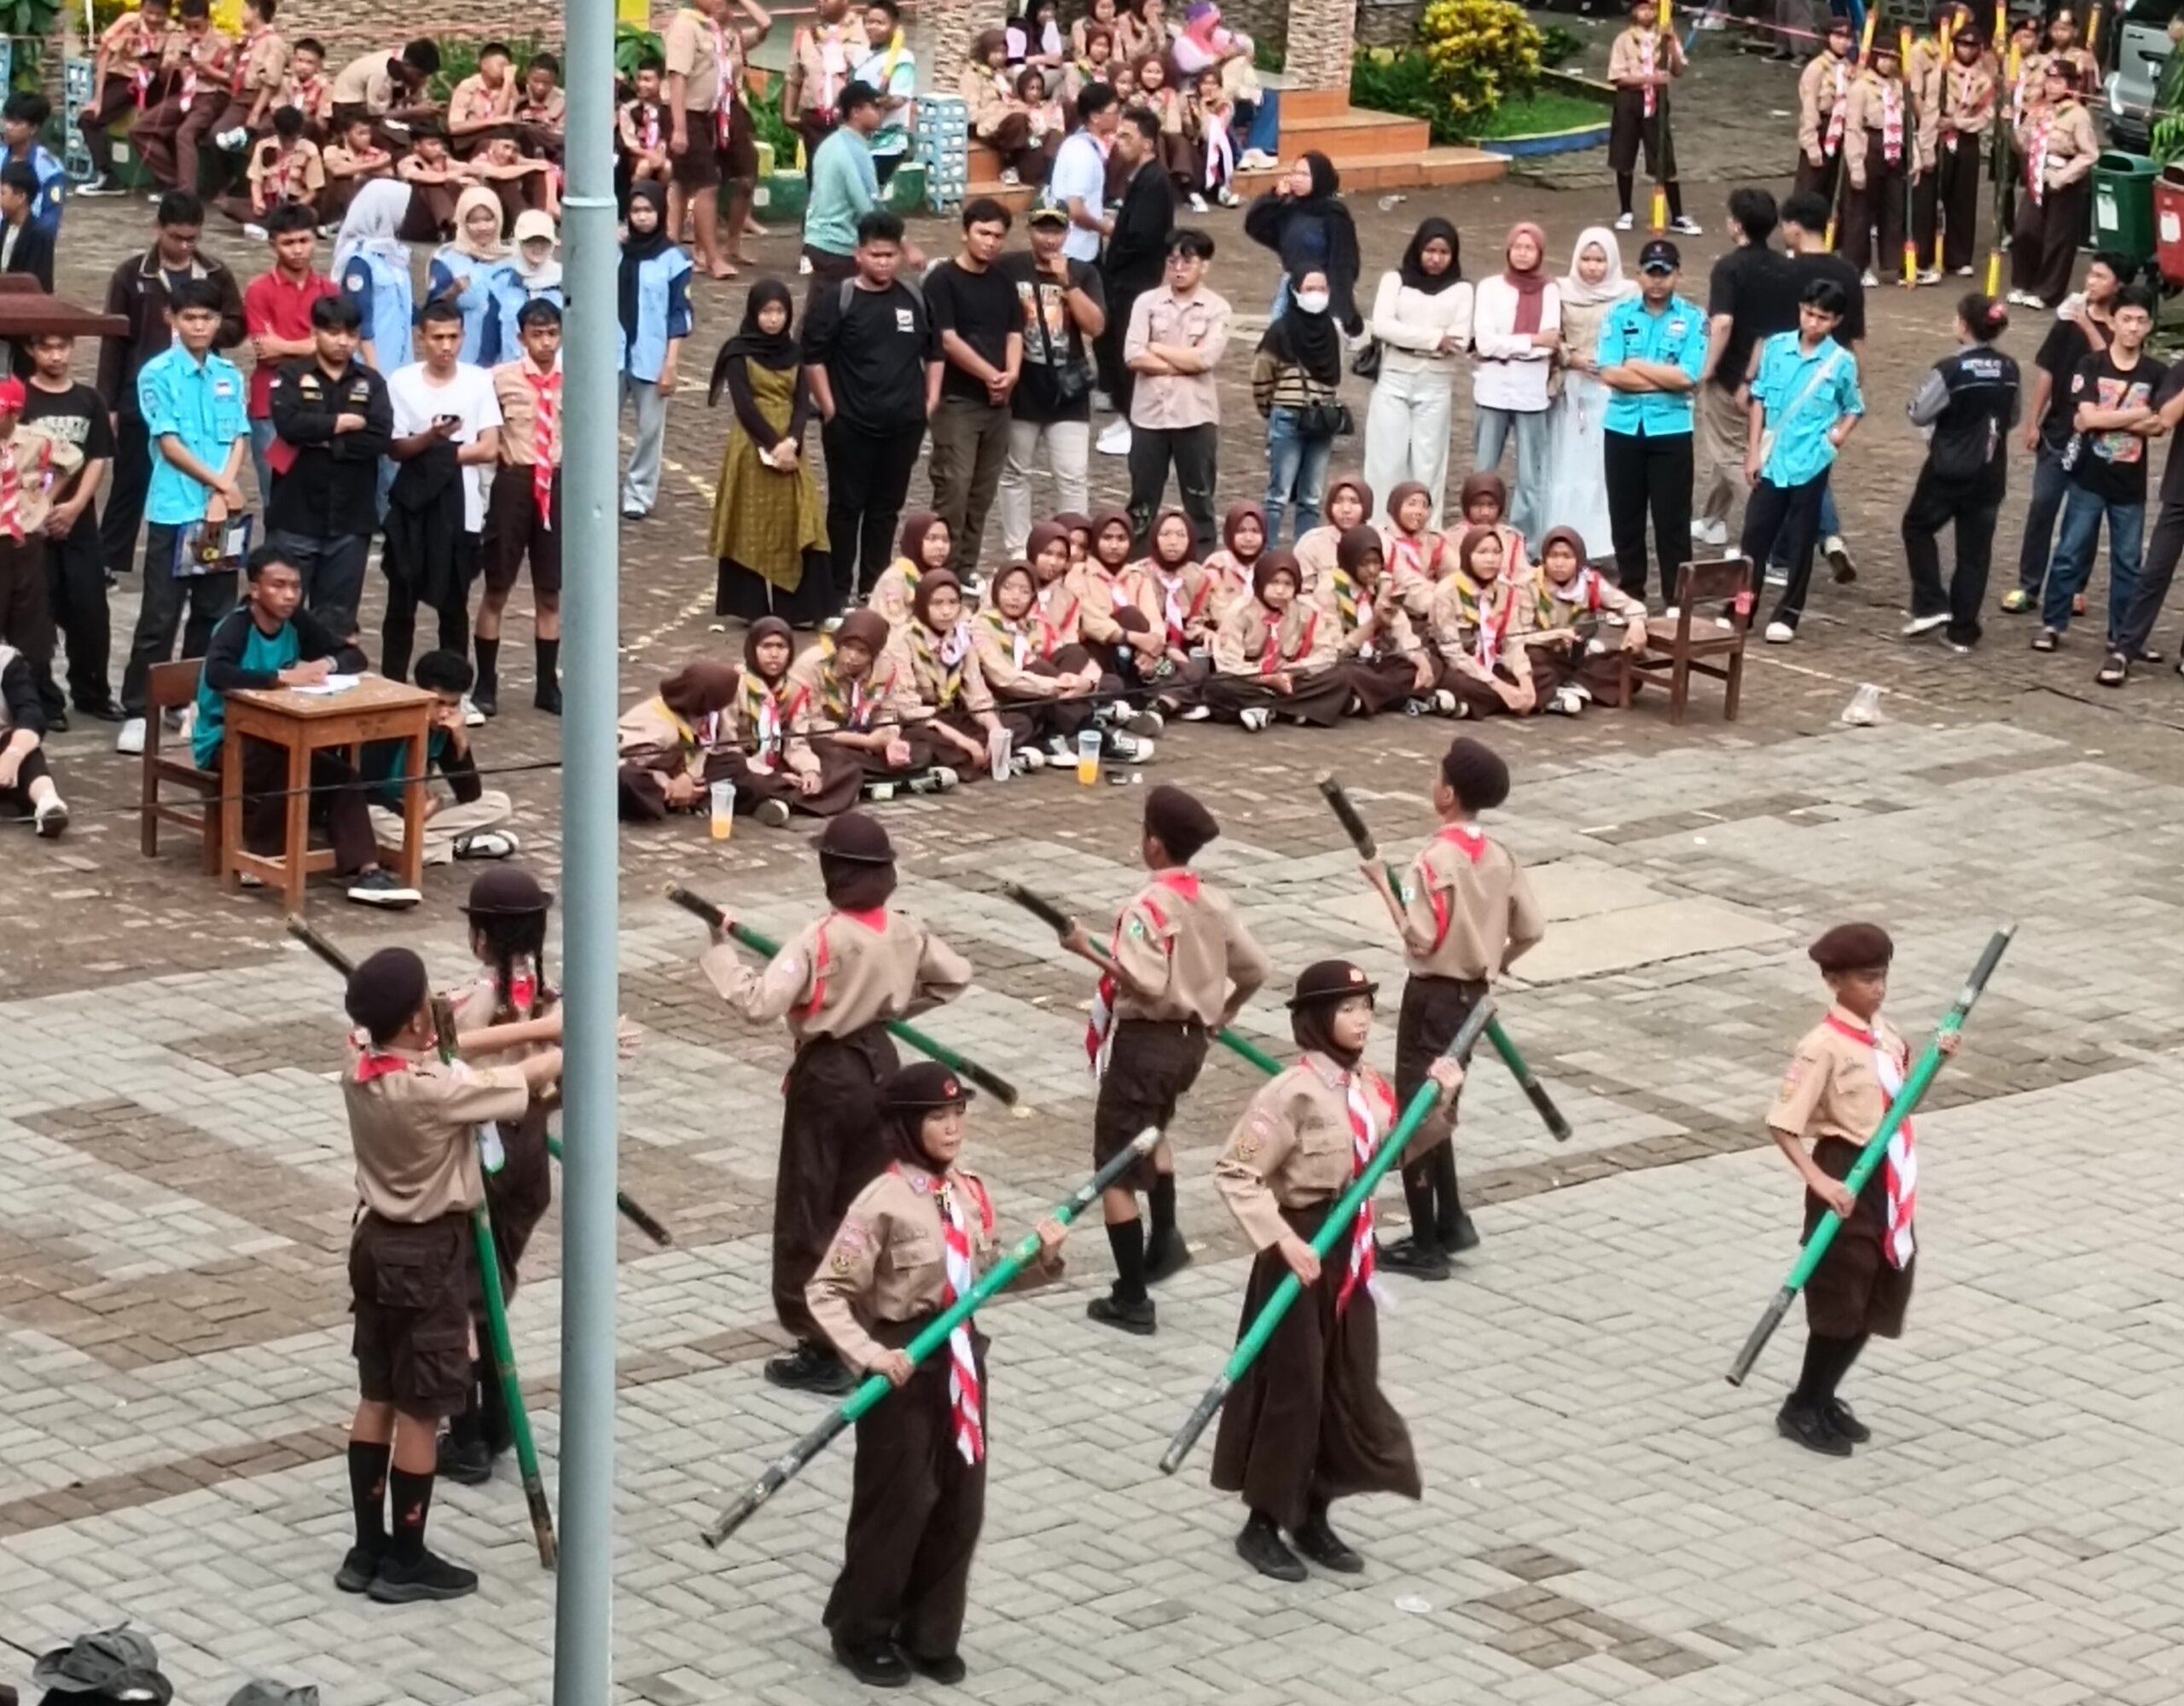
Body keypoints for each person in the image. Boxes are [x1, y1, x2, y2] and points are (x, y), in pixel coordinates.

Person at [808, 1062, 1068, 1689]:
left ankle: (929, 1631)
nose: (953, 1129)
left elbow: (979, 1280)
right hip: (902, 1359)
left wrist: (1042, 1258)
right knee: (900, 1499)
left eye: (958, 1115)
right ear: (904, 1125)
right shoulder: (881, 1202)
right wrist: (868, 1354)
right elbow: (825, 1291)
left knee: (960, 1498)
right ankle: (862, 1628)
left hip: (962, 1355)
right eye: (937, 1117)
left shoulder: (969, 1191)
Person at [699, 811, 975, 1392]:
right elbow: (956, 977)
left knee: (809, 1202)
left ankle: (821, 1342)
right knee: (865, 1201)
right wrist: (893, 1008)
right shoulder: (906, 929)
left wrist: (720, 952)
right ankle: (869, 1320)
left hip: (828, 1075)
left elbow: (759, 1003)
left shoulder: (821, 937)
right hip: (883, 1063)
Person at [1210, 958, 1455, 1581]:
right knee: (1294, 1388)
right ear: (1317, 1019)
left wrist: (1444, 1101)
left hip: (1351, 1250)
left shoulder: (1369, 1085)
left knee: (1345, 1381)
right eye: (1347, 1010)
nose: (1362, 1020)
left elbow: (1394, 1153)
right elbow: (1236, 1172)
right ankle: (1263, 1521)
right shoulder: (1290, 1091)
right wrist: (1279, 1241)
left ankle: (1312, 1512)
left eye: (1367, 1007)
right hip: (1300, 1247)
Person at [335, 945, 561, 1599]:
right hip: (427, 1253)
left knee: (375, 1396)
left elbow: (452, 1045)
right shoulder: (434, 1094)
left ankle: (366, 1547)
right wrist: (574, 1045)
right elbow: (515, 1084)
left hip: (372, 1243)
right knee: (417, 1407)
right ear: (412, 1025)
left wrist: (537, 1026)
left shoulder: (357, 1064)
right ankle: (407, 1558)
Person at [1060, 784, 1268, 1332]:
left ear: (1154, 844)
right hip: (1190, 1044)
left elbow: (1147, 982)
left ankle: (1131, 1295)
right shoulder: (1213, 901)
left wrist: (1089, 951)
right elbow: (1255, 969)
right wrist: (1226, 1011)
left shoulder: (1147, 907)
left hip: (1147, 1042)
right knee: (1154, 1128)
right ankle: (1166, 1236)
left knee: (1114, 1169)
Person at [1766, 923, 1955, 1457]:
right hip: (1844, 1172)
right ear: (1833, 981)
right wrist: (1820, 1181)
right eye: (1866, 979)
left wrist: (1935, 1063)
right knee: (1840, 1298)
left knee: (1880, 1292)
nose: (1878, 988)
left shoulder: (1885, 1037)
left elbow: (1897, 1108)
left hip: (1889, 1177)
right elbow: (1783, 1122)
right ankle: (1803, 1403)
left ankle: (1824, 1395)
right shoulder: (1821, 1047)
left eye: (1882, 977)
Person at [1359, 737, 1540, 1274]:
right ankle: (1452, 1217)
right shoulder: (1500, 857)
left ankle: (1424, 1241)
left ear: (1447, 793)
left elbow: (1420, 938)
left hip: (1433, 994)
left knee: (1418, 1113)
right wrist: (1498, 959)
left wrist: (1382, 886)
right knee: (1441, 1108)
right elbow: (1532, 927)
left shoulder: (1435, 859)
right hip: (1474, 1000)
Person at [195, 545, 420, 906]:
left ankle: (366, 871)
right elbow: (219, 672)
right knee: (291, 764)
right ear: (255, 589)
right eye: (278, 585)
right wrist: (283, 676)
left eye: (295, 587)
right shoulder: (236, 627)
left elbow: (353, 655)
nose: (288, 596)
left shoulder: (296, 621)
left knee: (343, 774)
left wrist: (327, 665)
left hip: (280, 732)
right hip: (226, 738)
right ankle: (261, 854)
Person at [113, 277, 249, 757]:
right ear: (173, 318)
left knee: (213, 610)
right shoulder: (157, 373)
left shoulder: (228, 375)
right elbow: (168, 444)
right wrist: (218, 486)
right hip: (176, 508)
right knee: (160, 614)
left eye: (207, 318)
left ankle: (191, 702)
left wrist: (226, 488)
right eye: (189, 317)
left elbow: (238, 437)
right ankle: (138, 708)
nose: (199, 326)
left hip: (219, 512)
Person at [96, 191, 247, 594]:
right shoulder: (133, 274)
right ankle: (109, 560)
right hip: (140, 393)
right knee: (131, 479)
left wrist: (204, 329)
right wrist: (107, 403)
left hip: (199, 394)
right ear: (158, 228)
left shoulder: (215, 273)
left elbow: (238, 323)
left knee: (201, 479)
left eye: (192, 239)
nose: (184, 246)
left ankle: (204, 557)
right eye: (176, 237)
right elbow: (114, 341)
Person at [804, 210, 935, 607]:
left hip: (903, 424)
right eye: (876, 255)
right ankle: (837, 589)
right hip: (851, 425)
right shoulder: (838, 300)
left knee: (886, 509)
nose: (884, 262)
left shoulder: (912, 298)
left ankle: (874, 586)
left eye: (890, 255)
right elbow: (813, 357)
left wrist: (928, 404)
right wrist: (830, 408)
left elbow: (935, 352)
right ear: (859, 254)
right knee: (845, 508)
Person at [2036, 282, 2165, 671]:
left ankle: (2121, 635)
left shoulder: (2156, 372)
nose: (2132, 328)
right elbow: (2087, 417)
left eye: (2141, 321)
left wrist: (2110, 420)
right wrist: (2134, 417)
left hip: (2130, 483)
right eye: (2126, 319)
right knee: (2069, 551)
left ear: (2149, 326)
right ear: (2112, 321)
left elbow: (2160, 425)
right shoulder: (2091, 365)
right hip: (2089, 478)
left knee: (2129, 561)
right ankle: (2052, 622)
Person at [384, 299, 502, 695]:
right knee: (401, 601)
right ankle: (392, 685)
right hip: (413, 505)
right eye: (437, 338)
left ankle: (454, 691)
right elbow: (397, 447)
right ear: (422, 339)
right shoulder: (401, 382)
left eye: (453, 337)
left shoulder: (477, 381)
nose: (446, 346)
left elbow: (488, 447)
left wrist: (436, 452)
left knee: (454, 605)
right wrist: (436, 440)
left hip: (462, 506)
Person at [1743, 276, 1866, 644]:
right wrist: (1752, 450)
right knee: (1755, 537)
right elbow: (1759, 399)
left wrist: (1839, 436)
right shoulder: (1777, 347)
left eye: (1822, 318)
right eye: (1808, 313)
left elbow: (1853, 406)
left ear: (1835, 322)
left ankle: (1789, 611)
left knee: (1800, 540)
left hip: (1810, 461)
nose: (1812, 323)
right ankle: (1743, 605)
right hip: (1773, 456)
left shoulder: (1840, 362)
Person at [2004, 253, 2122, 618]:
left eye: (2100, 276)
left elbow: (2111, 363)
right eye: (2091, 274)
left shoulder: (2120, 328)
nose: (2090, 281)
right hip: (2058, 431)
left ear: (2117, 286)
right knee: (2043, 506)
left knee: (2083, 516)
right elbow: (2048, 372)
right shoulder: (2066, 323)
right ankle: (2029, 584)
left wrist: (2086, 322)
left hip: (2096, 435)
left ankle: (2073, 586)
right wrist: (2034, 421)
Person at [1902, 294, 2018, 655]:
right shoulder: (2009, 369)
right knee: (1975, 552)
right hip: (1990, 470)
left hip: (1948, 467)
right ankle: (1963, 629)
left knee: (1917, 526)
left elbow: (1921, 413)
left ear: (1964, 325)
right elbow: (2013, 417)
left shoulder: (1951, 370)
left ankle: (1931, 602)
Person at [710, 281, 830, 625]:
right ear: (754, 313)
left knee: (801, 516)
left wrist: (792, 440)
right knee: (750, 520)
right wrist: (771, 443)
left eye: (779, 312)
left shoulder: (795, 352)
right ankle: (750, 605)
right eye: (767, 312)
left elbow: (800, 401)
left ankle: (800, 606)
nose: (773, 319)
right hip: (752, 447)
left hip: (792, 449)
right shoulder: (738, 353)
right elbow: (744, 405)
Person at [264, 293, 392, 620]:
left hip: (350, 522)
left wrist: (322, 440)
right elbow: (290, 425)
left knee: (336, 620)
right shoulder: (292, 376)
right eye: (333, 332)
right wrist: (340, 423)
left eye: (351, 334)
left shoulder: (371, 382)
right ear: (315, 332)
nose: (343, 342)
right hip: (295, 517)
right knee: (280, 616)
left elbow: (378, 437)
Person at [1594, 237, 1705, 606]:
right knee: (1626, 517)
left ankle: (1677, 599)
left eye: (1665, 273)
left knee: (1672, 520)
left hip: (1671, 430)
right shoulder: (1618, 315)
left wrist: (1637, 366)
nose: (1658, 280)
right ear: (1638, 275)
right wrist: (1661, 377)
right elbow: (1609, 372)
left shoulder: (1693, 318)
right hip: (1623, 426)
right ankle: (1630, 594)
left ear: (1678, 275)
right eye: (1651, 273)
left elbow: (1688, 376)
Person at [20, 335, 120, 727]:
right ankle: (45, 700)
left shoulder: (89, 399)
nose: (56, 355)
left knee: (90, 612)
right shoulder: (20, 399)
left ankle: (92, 691)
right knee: (37, 615)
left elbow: (98, 457)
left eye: (62, 346)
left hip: (79, 525)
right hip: (32, 524)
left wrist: (76, 506)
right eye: (47, 347)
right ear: (32, 350)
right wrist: (41, 510)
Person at [996, 205, 1106, 556]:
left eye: (1056, 231)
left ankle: (1073, 547)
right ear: (1029, 231)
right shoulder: (1009, 268)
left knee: (1072, 475)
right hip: (1023, 388)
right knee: (1015, 472)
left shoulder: (1083, 272)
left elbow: (1096, 327)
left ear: (1067, 233)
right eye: (1042, 230)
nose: (1049, 239)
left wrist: (1067, 284)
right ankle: (1017, 548)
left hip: (1068, 391)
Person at [925, 198, 1024, 579]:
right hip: (957, 400)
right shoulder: (942, 280)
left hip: (998, 403)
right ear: (965, 233)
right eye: (983, 233)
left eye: (998, 236)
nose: (991, 242)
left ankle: (965, 569)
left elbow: (1015, 331)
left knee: (981, 494)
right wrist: (990, 374)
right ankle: (940, 571)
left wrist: (1011, 373)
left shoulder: (1002, 281)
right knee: (954, 488)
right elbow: (947, 340)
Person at [1696, 189, 1798, 550]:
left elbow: (1722, 323)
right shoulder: (1789, 268)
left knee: (1731, 453)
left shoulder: (1729, 268)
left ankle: (1771, 529)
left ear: (1737, 225)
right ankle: (1713, 520)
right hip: (1777, 375)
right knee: (1739, 446)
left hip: (1734, 375)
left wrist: (1707, 370)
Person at [1775, 192, 1867, 586]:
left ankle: (1813, 540)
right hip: (1836, 376)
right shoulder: (1848, 271)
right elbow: (1858, 335)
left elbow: (1776, 336)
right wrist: (1857, 381)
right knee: (1813, 462)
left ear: (1794, 226)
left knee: (1791, 465)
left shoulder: (1786, 273)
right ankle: (1821, 540)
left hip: (1795, 377)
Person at [479, 299, 564, 711]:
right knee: (498, 586)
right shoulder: (499, 379)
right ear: (521, 337)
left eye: (551, 334)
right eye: (537, 334)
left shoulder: (574, 378)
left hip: (557, 481)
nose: (545, 343)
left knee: (550, 592)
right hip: (515, 481)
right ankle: (486, 684)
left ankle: (548, 685)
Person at [359, 648, 520, 863]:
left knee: (499, 804)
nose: (445, 713)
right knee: (373, 822)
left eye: (453, 704)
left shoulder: (444, 728)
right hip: (382, 808)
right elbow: (365, 790)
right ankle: (455, 847)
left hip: (416, 811)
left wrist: (461, 743)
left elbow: (469, 794)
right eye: (439, 703)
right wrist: (412, 812)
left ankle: (423, 846)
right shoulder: (392, 724)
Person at [1362, 218, 1471, 530]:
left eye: (1444, 252)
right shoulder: (1394, 280)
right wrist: (1434, 339)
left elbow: (1460, 339)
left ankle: (1427, 533)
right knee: (1387, 460)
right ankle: (1380, 531)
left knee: (1429, 462)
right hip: (1395, 374)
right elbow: (1383, 326)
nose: (1436, 259)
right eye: (1430, 250)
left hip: (1436, 382)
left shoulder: (1461, 289)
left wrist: (1408, 334)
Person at [1125, 229, 1228, 556]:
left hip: (1194, 415)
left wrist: (1157, 347)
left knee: (1199, 498)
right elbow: (1132, 355)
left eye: (1187, 261)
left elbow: (1205, 359)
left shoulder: (1217, 308)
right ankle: (1136, 566)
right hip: (1149, 415)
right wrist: (1182, 361)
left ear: (1204, 266)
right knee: (1142, 500)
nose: (1179, 269)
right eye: (1172, 261)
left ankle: (1203, 563)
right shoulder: (1147, 303)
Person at [665, 0, 775, 282]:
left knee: (702, 181)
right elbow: (677, 77)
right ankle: (712, 258)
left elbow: (765, 26)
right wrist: (679, 128)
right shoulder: (685, 26)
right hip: (688, 113)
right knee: (706, 183)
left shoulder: (718, 31)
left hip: (714, 113)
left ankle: (714, 249)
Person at [1542, 226, 1633, 563]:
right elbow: (1554, 334)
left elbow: (1633, 336)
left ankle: (1601, 539)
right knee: (1566, 461)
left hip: (1610, 387)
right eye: (1586, 258)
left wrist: (1612, 363)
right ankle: (1560, 529)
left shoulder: (1627, 294)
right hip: (1572, 385)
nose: (1592, 267)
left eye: (1599, 260)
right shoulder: (1561, 290)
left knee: (1601, 465)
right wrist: (1571, 357)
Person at [886, 569, 1031, 779]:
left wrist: (995, 730)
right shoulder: (904, 640)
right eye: (937, 603)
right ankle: (976, 758)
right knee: (922, 743)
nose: (946, 611)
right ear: (922, 604)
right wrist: (962, 741)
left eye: (953, 603)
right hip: (926, 721)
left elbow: (977, 694)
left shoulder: (961, 637)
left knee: (1018, 723)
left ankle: (980, 756)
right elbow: (908, 709)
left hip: (955, 715)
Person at [720, 616, 867, 818]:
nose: (774, 654)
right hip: (745, 762)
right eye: (766, 646)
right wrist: (773, 775)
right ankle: (790, 799)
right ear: (752, 649)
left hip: (778, 756)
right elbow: (726, 746)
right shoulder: (734, 685)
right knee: (740, 780)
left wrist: (809, 770)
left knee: (847, 768)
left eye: (781, 647)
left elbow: (796, 740)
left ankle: (782, 801)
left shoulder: (794, 688)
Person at [0, 377, 84, 728]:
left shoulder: (36, 440)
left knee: (31, 626)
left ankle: (37, 705)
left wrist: (45, 497)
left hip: (24, 542)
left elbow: (73, 460)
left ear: (14, 414)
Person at [1095, 106, 1177, 461]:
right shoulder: (1138, 178)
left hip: (1135, 282)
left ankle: (1136, 422)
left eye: (1127, 137)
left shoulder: (1155, 182)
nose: (1119, 142)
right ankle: (1125, 413)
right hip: (1123, 280)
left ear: (1147, 143)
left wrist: (1115, 258)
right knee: (1111, 348)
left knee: (1127, 352)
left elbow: (1142, 237)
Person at [971, 554, 1112, 758]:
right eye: (1008, 588)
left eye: (1024, 591)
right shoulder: (981, 627)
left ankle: (1057, 731)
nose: (1015, 596)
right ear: (995, 590)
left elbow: (1063, 648)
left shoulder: (1032, 623)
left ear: (1033, 597)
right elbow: (1002, 677)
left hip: (1040, 693)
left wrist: (1086, 683)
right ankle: (1087, 730)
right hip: (1006, 697)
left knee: (1074, 653)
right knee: (1039, 668)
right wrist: (1056, 686)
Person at [1470, 223, 1559, 547]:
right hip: (1492, 389)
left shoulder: (1549, 289)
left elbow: (1550, 344)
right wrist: (1530, 341)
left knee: (1530, 475)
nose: (1522, 253)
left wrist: (1510, 344)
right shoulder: (1490, 287)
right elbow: (1485, 342)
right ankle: (1478, 534)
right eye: (1518, 246)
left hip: (1531, 392)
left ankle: (1526, 542)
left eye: (1530, 247)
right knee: (1484, 470)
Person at [616, 181, 694, 521]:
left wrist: (671, 363)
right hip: (612, 352)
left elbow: (679, 312)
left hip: (651, 352)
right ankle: (596, 490)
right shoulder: (613, 252)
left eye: (648, 210)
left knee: (649, 429)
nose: (642, 217)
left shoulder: (673, 259)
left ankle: (639, 491)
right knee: (600, 427)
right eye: (636, 210)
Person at [1204, 552, 1348, 729]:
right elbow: (1227, 662)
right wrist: (1265, 679)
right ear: (1261, 581)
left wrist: (1295, 670)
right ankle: (1291, 710)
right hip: (1251, 680)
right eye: (1273, 582)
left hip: (1291, 679)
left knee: (1340, 677)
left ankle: (1262, 708)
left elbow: (1327, 653)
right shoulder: (1240, 611)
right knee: (1218, 684)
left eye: (1288, 584)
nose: (1280, 591)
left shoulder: (1306, 611)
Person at [1252, 268, 1343, 545]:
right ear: (1295, 292)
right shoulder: (1281, 330)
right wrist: (1273, 408)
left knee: (1312, 497)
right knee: (1278, 494)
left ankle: (1305, 554)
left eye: (1322, 288)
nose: (1316, 295)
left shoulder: (1332, 330)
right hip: (1288, 416)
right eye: (1309, 288)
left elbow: (1334, 376)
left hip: (1321, 420)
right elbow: (1261, 374)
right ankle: (1269, 553)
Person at [1428, 525, 1548, 718]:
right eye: (1482, 552)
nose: (1490, 559)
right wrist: (1500, 687)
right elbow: (1453, 653)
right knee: (1458, 682)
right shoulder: (1447, 591)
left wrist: (1526, 681)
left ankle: (1473, 706)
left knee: (1542, 674)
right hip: (1460, 665)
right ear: (1468, 555)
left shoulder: (1506, 590)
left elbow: (1513, 642)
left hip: (1493, 661)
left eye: (1496, 552)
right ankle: (1509, 701)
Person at [1525, 523, 1651, 707]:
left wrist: (1637, 623)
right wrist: (1553, 636)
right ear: (1544, 558)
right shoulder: (1530, 584)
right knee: (1531, 660)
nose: (1559, 563)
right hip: (1546, 656)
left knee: (1637, 661)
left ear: (1579, 559)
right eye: (1553, 556)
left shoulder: (1590, 583)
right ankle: (1565, 688)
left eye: (1567, 556)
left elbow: (1631, 605)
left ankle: (1573, 686)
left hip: (1579, 659)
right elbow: (1518, 634)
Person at [2009, 60, 2096, 310]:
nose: (2052, 86)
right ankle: (2023, 283)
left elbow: (2089, 154)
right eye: (2049, 80)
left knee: (2057, 239)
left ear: (2069, 85)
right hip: (2037, 176)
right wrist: (2013, 123)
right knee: (2025, 230)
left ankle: (2048, 291)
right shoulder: (2038, 109)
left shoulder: (2078, 115)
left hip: (2064, 180)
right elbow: (2023, 144)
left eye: (2058, 82)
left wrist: (2063, 176)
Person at [1241, 152, 1361, 332]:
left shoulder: (1334, 214)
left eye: (1304, 174)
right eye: (1294, 173)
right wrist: (1274, 197)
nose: (1296, 179)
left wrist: (1339, 307)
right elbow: (1255, 227)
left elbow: (1344, 263)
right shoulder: (1289, 209)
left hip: (1322, 290)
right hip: (1291, 288)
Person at [1325, 525, 1438, 713]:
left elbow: (1403, 632)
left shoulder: (1382, 585)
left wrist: (1421, 662)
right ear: (1349, 560)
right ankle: (1398, 697)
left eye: (1376, 563)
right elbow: (1336, 651)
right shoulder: (1330, 589)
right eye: (1364, 564)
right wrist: (1374, 623)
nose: (1371, 570)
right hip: (1349, 661)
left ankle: (1367, 699)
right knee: (1343, 675)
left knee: (1431, 661)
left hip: (1377, 662)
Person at [1606, 0, 1696, 235]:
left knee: (1664, 156)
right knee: (1624, 155)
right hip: (1630, 102)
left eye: (1652, 8)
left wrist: (1672, 44)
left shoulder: (1666, 37)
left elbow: (1678, 70)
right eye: (1643, 8)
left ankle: (1677, 215)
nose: (1648, 13)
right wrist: (1648, 80)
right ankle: (1626, 210)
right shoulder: (1624, 40)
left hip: (1657, 102)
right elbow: (1617, 77)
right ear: (1634, 11)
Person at [1915, 26, 1995, 284]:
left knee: (1964, 199)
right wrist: (1926, 147)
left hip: (1966, 139)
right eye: (1962, 45)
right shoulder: (1940, 74)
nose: (1967, 50)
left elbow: (1986, 115)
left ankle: (1959, 257)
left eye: (1973, 46)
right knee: (1929, 199)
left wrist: (1959, 123)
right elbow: (1929, 112)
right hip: (1938, 139)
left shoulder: (1985, 79)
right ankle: (1924, 257)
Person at [616, 658, 740, 819]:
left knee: (733, 762)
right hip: (648, 774)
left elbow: (706, 749)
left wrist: (688, 777)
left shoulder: (702, 714)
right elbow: (623, 762)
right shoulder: (659, 728)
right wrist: (669, 785)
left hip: (680, 769)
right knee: (629, 780)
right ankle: (676, 799)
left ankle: (693, 797)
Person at [803, 82, 893, 302]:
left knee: (820, 312)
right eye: (874, 106)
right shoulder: (854, 151)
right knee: (835, 314)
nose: (880, 113)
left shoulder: (830, 143)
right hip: (838, 245)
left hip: (818, 239)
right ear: (856, 112)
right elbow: (869, 208)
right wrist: (900, 242)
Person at [78, 0, 177, 197]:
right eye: (149, 13)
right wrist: (97, 99)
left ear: (167, 14)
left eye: (160, 15)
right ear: (141, 9)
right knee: (88, 119)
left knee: (166, 120)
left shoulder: (173, 30)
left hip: (154, 80)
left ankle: (166, 182)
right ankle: (108, 177)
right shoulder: (128, 23)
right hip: (125, 79)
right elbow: (105, 55)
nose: (154, 19)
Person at [1838, 40, 1914, 290]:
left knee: (1893, 208)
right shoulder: (1861, 86)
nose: (1888, 62)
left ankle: (1891, 263)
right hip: (1868, 144)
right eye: (1883, 57)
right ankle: (1857, 265)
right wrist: (1856, 165)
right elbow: (1852, 126)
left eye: (1893, 57)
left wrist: (1914, 155)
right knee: (1860, 211)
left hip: (1893, 147)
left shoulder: (1898, 87)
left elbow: (1907, 124)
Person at [333, 179, 423, 375]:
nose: (405, 215)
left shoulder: (393, 257)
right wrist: (374, 373)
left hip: (400, 364)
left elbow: (408, 312)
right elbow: (360, 319)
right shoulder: (360, 260)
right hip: (373, 367)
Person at [427, 188, 508, 367]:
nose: (483, 227)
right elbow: (431, 312)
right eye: (474, 221)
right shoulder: (447, 258)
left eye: (489, 219)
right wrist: (453, 292)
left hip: (505, 364)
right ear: (462, 222)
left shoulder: (512, 261)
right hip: (462, 364)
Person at [1, 628, 69, 836]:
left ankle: (48, 804)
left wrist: (12, 756)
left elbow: (31, 714)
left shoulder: (7, 661)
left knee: (26, 752)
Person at [784, 0, 861, 174]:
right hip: (814, 121)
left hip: (849, 121)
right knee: (816, 177)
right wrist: (788, 115)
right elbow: (794, 76)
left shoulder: (862, 32)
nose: (820, 3)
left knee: (845, 178)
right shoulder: (805, 35)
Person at [482, 209, 565, 370]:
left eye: (544, 241)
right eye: (530, 241)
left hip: (558, 377)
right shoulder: (501, 282)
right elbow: (490, 340)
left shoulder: (567, 283)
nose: (538, 248)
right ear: (518, 242)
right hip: (513, 374)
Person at [1049, 84, 1119, 272]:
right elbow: (1074, 208)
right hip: (1076, 249)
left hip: (1081, 246)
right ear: (1095, 117)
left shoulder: (1083, 146)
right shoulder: (1082, 152)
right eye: (1113, 112)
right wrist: (1105, 228)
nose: (1117, 117)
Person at [851, 0, 918, 187]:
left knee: (870, 191)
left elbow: (899, 99)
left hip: (887, 144)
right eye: (868, 21)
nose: (872, 27)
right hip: (860, 140)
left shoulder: (903, 58)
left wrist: (875, 103)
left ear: (895, 27)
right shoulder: (861, 54)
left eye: (880, 23)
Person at [1793, 18, 1857, 206]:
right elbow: (1809, 109)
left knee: (1832, 190)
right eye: (1838, 36)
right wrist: (1811, 144)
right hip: (1822, 129)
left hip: (1842, 132)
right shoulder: (1816, 68)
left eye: (1847, 38)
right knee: (1810, 188)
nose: (1843, 42)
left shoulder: (1850, 68)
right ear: (1827, 37)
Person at [1, 91, 68, 237]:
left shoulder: (49, 169)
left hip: (26, 242)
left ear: (33, 128)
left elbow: (50, 221)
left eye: (16, 123)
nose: (8, 127)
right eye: (6, 120)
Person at [446, 39, 519, 152]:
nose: (504, 71)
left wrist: (508, 84)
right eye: (501, 65)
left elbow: (502, 117)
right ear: (484, 65)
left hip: (496, 135)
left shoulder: (506, 87)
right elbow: (454, 127)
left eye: (507, 67)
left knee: (524, 131)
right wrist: (492, 122)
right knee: (505, 132)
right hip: (468, 139)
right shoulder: (468, 86)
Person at [619, 53, 671, 194]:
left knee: (667, 167)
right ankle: (636, 201)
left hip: (665, 156)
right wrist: (649, 155)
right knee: (645, 166)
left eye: (648, 80)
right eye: (640, 79)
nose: (642, 84)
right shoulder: (629, 109)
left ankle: (663, 206)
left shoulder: (668, 109)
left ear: (661, 81)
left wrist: (661, 155)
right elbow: (630, 144)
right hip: (638, 158)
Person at [0, 164, 53, 293]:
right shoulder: (3, 227)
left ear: (21, 197)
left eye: (2, 193)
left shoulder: (39, 236)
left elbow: (40, 284)